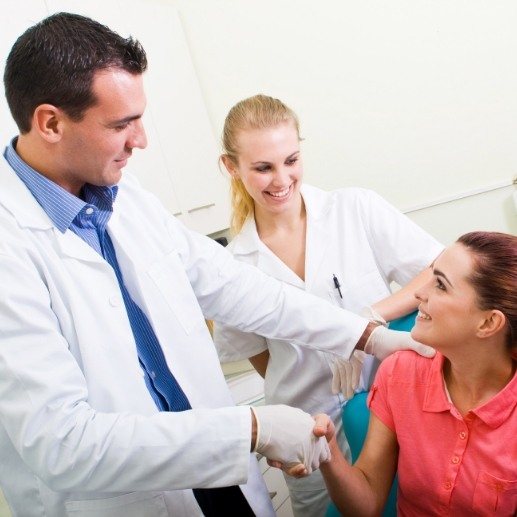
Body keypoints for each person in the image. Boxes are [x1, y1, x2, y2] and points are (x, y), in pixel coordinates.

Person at [0, 13, 433, 517]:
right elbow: (63, 443)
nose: (140, 140)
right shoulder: (11, 246)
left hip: (217, 476)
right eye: (121, 124)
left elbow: (237, 288)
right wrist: (255, 428)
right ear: (50, 122)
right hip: (124, 499)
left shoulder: (126, 197)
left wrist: (366, 335)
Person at [213, 94, 444, 516]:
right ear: (231, 167)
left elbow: (437, 269)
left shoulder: (354, 209)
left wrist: (370, 319)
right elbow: (260, 357)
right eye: (263, 167)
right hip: (308, 429)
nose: (281, 178)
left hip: (389, 410)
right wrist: (312, 371)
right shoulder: (234, 264)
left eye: (291, 160)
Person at [315, 231, 517, 516]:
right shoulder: (400, 373)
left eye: (441, 286)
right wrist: (328, 453)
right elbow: (367, 503)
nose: (420, 293)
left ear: (488, 323)